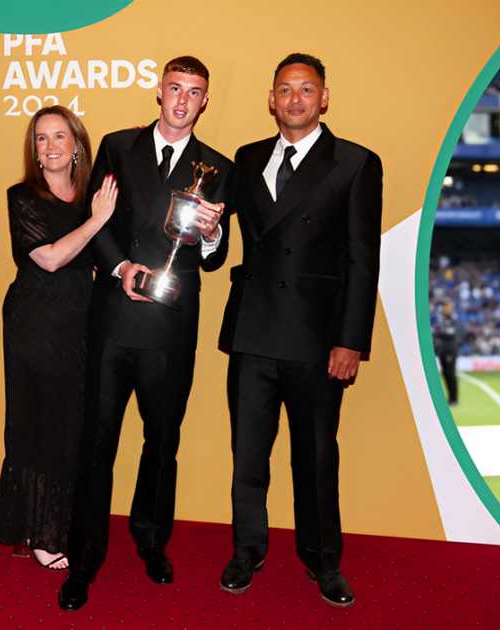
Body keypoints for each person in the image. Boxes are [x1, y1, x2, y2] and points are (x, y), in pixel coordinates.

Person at [59, 56, 232, 611]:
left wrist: (211, 234)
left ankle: (152, 542)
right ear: (159, 92)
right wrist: (120, 268)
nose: (183, 99)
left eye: (195, 92)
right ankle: (82, 562)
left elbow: (215, 258)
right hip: (112, 320)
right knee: (96, 445)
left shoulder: (217, 167)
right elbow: (95, 217)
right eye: (175, 88)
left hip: (171, 328)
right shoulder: (116, 145)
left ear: (205, 101)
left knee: (163, 444)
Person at [216, 52, 382, 608]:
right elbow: (219, 240)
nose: (294, 99)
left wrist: (351, 339)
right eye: (284, 89)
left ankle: (323, 561)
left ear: (324, 98)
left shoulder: (356, 163)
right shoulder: (246, 158)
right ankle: (247, 551)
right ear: (271, 99)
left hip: (317, 342)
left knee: (315, 458)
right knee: (248, 456)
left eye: (306, 90)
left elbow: (364, 259)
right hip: (253, 334)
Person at [0, 106, 117, 571]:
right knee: (42, 424)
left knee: (71, 427)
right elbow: (48, 258)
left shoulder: (91, 197)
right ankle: (41, 533)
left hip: (81, 323)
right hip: (36, 323)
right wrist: (98, 221)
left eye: (60, 136)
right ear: (35, 151)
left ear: (77, 144)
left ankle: (53, 523)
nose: (50, 146)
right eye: (41, 139)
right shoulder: (23, 196)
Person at [433, 300, 460, 405]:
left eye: (446, 307)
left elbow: (451, 333)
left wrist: (438, 333)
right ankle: (450, 397)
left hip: (450, 349)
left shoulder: (453, 319)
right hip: (443, 350)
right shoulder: (442, 319)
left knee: (450, 374)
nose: (444, 309)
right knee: (445, 373)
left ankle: (454, 398)